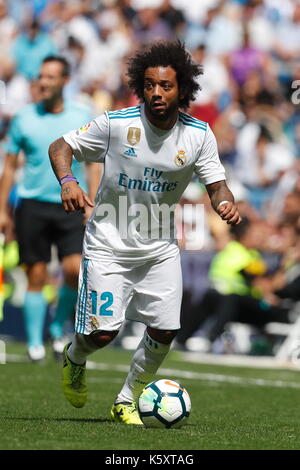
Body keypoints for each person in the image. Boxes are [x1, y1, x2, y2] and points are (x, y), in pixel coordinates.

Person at [48, 40, 241, 424]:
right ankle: (75, 357)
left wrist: (223, 202)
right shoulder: (116, 125)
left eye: (166, 86)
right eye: (149, 84)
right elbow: (61, 146)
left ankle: (127, 399)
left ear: (182, 89)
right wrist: (68, 181)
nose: (156, 92)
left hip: (159, 247)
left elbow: (216, 183)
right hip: (108, 244)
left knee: (166, 329)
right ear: (141, 85)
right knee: (104, 334)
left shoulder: (198, 135)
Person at [0, 55, 99, 361]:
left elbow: (94, 161)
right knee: (37, 274)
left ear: (64, 82)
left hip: (70, 204)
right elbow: (10, 165)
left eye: (51, 77)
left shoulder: (83, 114)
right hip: (31, 205)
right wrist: (3, 209)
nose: (43, 82)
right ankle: (34, 344)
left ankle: (57, 328)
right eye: (41, 76)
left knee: (73, 271)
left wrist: (92, 200)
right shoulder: (24, 118)